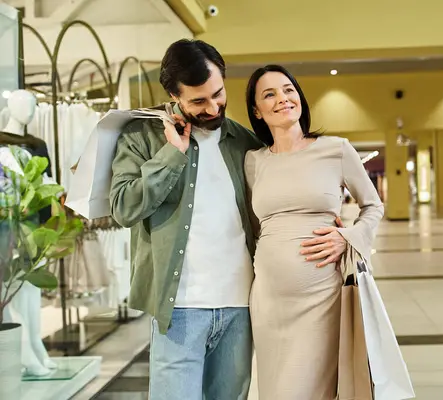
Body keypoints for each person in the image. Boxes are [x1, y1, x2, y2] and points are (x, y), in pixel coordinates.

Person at [109, 39, 345, 400]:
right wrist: (173, 155)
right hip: (180, 311)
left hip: (241, 307)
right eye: (198, 101)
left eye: (218, 94)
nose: (213, 106)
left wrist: (337, 229)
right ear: (173, 95)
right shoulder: (142, 137)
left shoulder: (244, 143)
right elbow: (123, 207)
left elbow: (276, 210)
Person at [244, 65, 384, 399]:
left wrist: (347, 237)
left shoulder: (335, 149)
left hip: (322, 298)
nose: (283, 99)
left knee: (313, 391)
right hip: (269, 303)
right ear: (257, 111)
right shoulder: (253, 162)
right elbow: (253, 228)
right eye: (270, 94)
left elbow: (373, 206)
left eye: (288, 89)